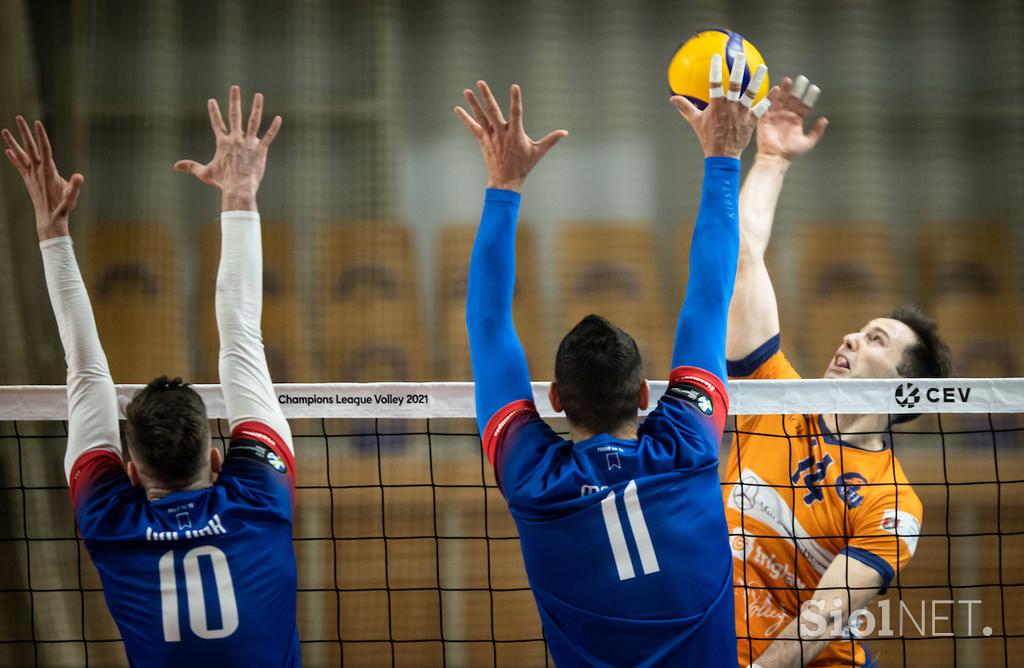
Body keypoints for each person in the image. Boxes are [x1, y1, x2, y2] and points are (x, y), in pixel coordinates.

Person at [456, 53, 776, 666]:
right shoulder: (687, 445)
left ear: (554, 399)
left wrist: (504, 187)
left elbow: (487, 322)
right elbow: (710, 294)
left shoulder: (535, 479)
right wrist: (724, 158)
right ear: (643, 397)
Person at [2, 86, 300, 667]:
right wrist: (240, 193)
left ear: (133, 472)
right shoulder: (250, 501)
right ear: (215, 461)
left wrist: (51, 232)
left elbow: (87, 374)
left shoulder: (242, 502)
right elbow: (92, 372)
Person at [723, 75, 952, 668]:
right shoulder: (775, 394)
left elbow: (821, 618)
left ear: (902, 387)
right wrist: (771, 159)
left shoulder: (892, 502)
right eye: (859, 328)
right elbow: (742, 258)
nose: (850, 335)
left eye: (876, 339)